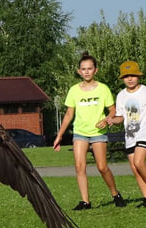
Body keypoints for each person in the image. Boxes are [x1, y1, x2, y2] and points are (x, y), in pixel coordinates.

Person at [52, 52, 125, 210]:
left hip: (98, 133)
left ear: (95, 70)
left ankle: (115, 193)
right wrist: (59, 136)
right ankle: (85, 201)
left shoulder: (103, 89)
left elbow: (113, 111)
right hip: (80, 132)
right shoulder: (74, 90)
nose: (86, 71)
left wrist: (106, 119)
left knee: (102, 167)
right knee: (79, 166)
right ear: (79, 71)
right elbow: (69, 114)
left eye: (89, 68)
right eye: (83, 69)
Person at [109, 60, 146, 207]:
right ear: (122, 78)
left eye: (133, 75)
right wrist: (112, 120)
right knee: (135, 168)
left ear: (138, 76)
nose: (130, 79)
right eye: (126, 76)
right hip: (130, 135)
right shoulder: (121, 95)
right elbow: (121, 117)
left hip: (145, 132)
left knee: (139, 162)